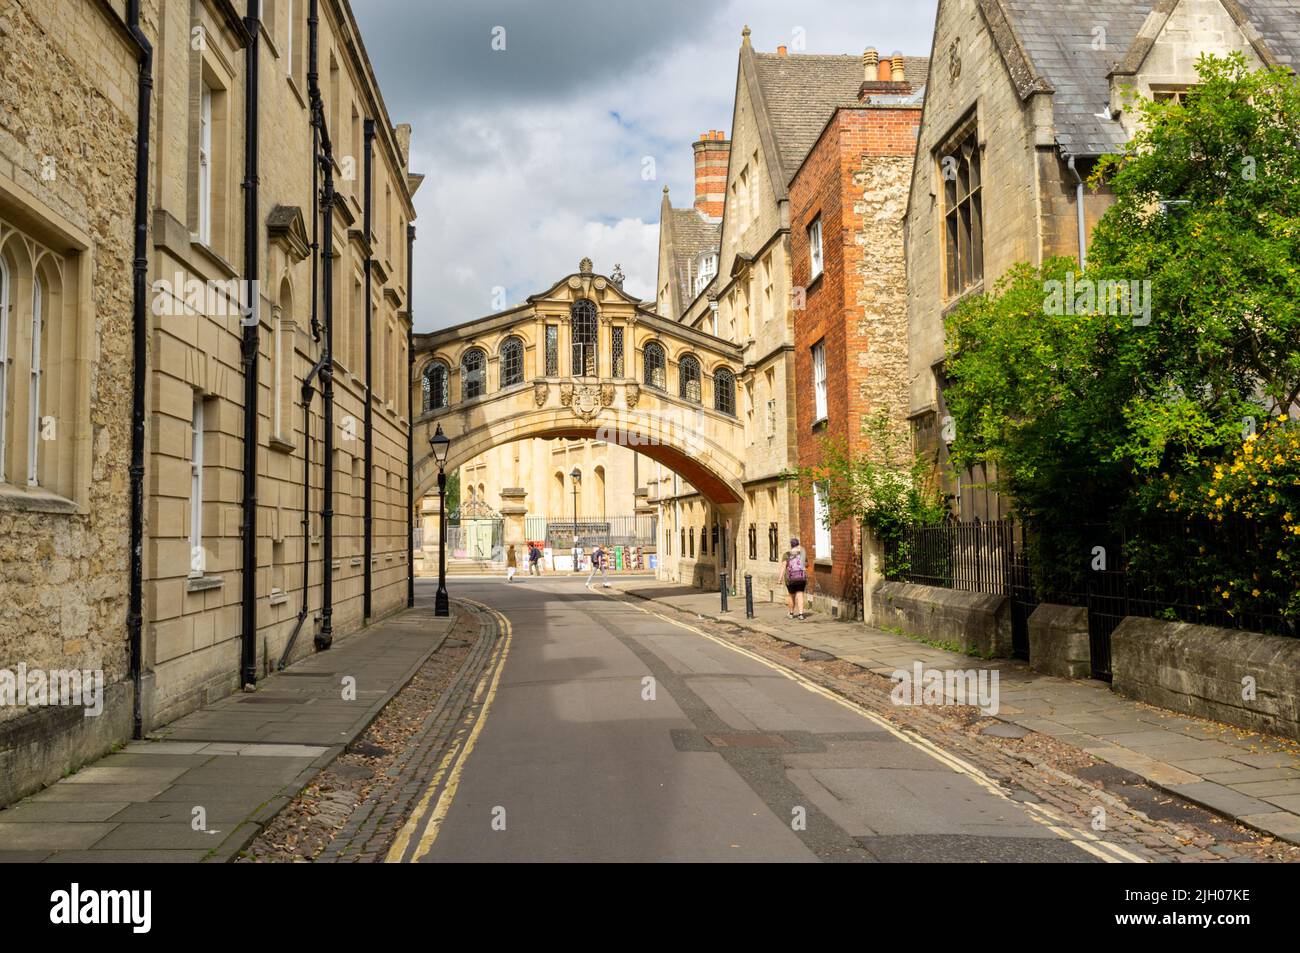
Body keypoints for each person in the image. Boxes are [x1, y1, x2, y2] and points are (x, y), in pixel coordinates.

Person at [780, 537, 808, 619]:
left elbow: (783, 567)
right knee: (800, 595)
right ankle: (801, 614)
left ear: (791, 545)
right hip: (801, 578)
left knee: (791, 596)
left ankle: (791, 613)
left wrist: (780, 579)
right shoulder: (802, 554)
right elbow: (806, 565)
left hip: (790, 579)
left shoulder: (786, 555)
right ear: (798, 544)